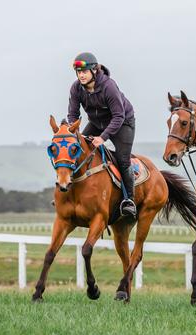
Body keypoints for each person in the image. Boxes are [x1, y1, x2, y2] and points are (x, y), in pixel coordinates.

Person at [67, 52, 137, 217]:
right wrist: (72, 130)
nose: (81, 75)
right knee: (77, 149)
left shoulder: (108, 86)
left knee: (123, 160)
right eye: (78, 72)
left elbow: (118, 116)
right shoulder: (76, 88)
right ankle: (68, 190)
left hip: (122, 123)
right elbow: (72, 115)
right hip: (97, 122)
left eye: (84, 71)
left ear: (94, 71)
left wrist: (102, 138)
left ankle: (129, 200)